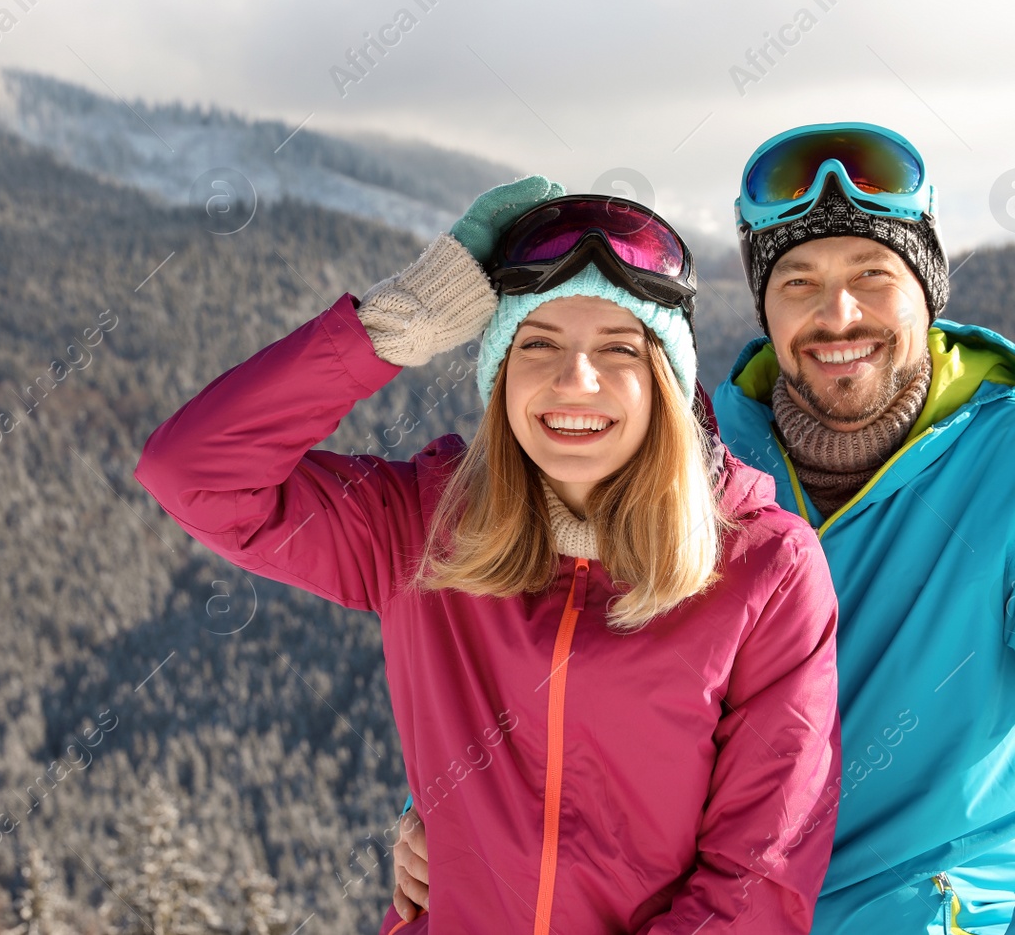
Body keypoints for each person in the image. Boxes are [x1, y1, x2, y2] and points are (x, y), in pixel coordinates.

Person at [392, 125, 1015, 933]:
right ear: (763, 306)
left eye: (873, 273)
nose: (838, 313)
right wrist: (462, 809)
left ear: (927, 291)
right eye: (798, 282)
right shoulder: (691, 466)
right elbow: (541, 645)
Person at [135, 177, 842, 933]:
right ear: (499, 375)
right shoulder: (419, 530)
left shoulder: (764, 570)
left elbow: (757, 880)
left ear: (665, 382)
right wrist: (396, 325)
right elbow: (196, 473)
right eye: (538, 344)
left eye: (618, 348)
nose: (577, 380)